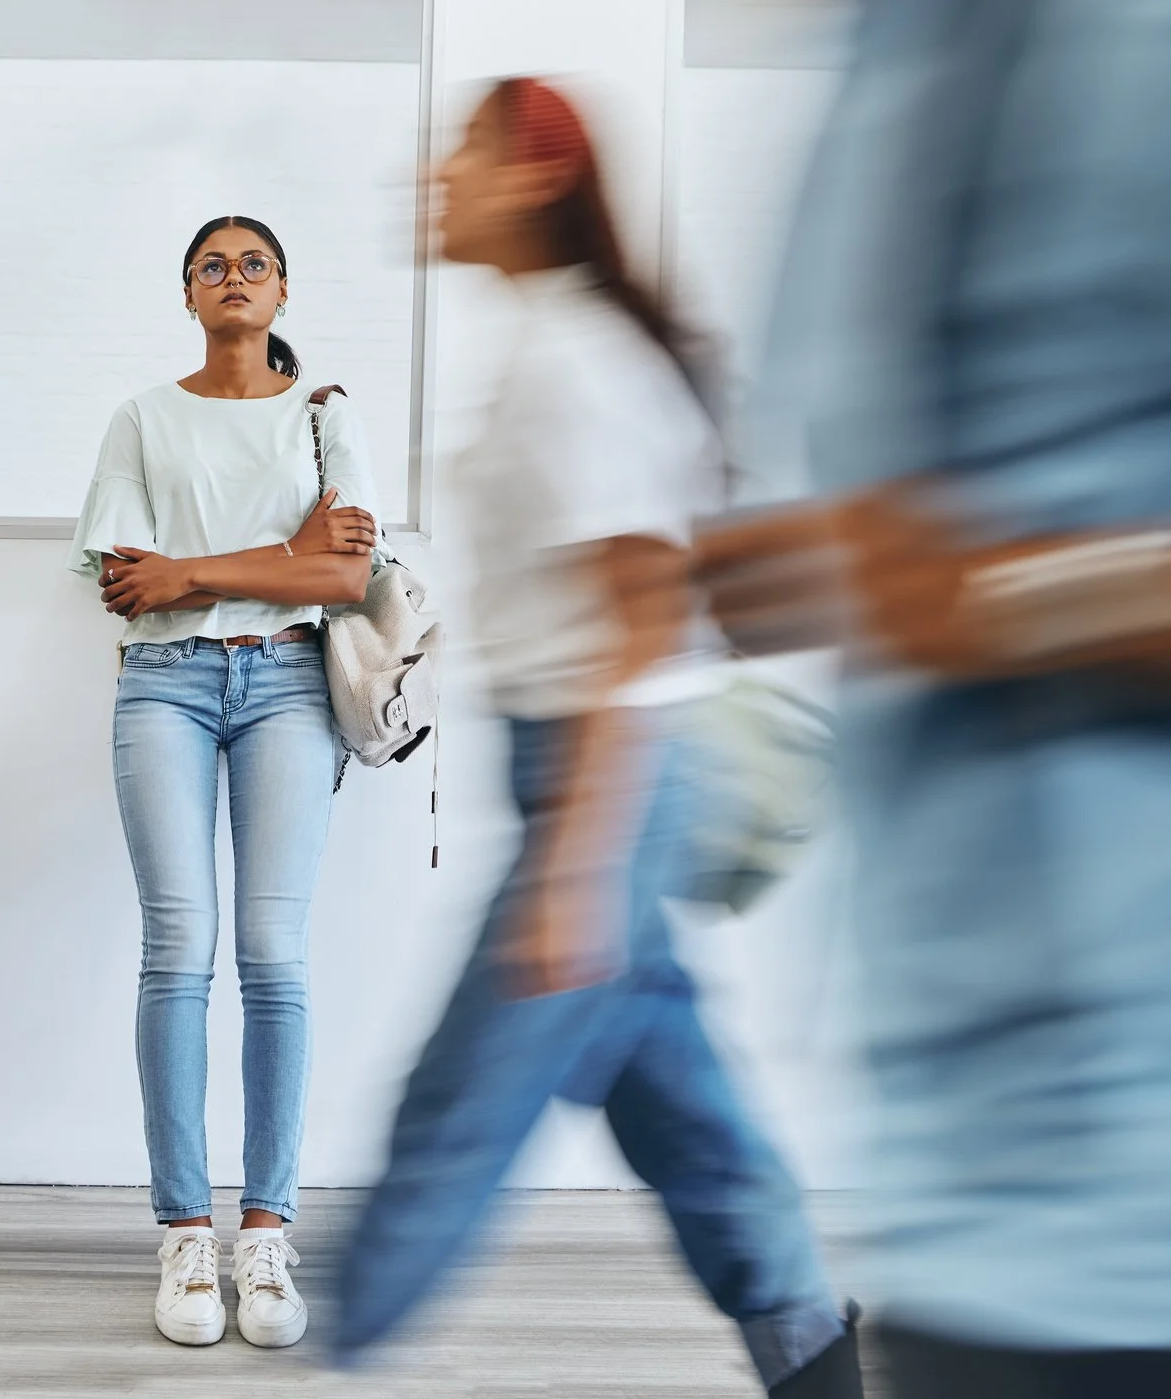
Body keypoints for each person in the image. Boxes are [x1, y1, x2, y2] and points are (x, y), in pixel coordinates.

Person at [696, 0, 1171, 1393]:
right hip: (961, 1178)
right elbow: (917, 542)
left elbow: (967, 579)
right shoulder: (891, 46)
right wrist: (814, 571)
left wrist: (1002, 599)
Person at [329, 80, 863, 1398]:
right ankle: (815, 1360)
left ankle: (329, 1352)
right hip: (594, 773)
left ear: (531, 177)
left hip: (604, 776)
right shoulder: (553, 345)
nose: (431, 178)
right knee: (688, 1119)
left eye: (458, 154)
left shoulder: (577, 361)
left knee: (453, 1119)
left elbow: (639, 617)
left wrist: (577, 862)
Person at [69, 215, 379, 1349]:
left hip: (292, 688)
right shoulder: (144, 419)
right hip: (164, 689)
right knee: (177, 948)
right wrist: (278, 557)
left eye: (254, 264)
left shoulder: (323, 417)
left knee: (275, 957)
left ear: (284, 291)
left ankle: (266, 1233)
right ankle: (186, 1236)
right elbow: (125, 587)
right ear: (189, 295)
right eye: (214, 266)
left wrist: (196, 567)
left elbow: (343, 575)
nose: (234, 278)